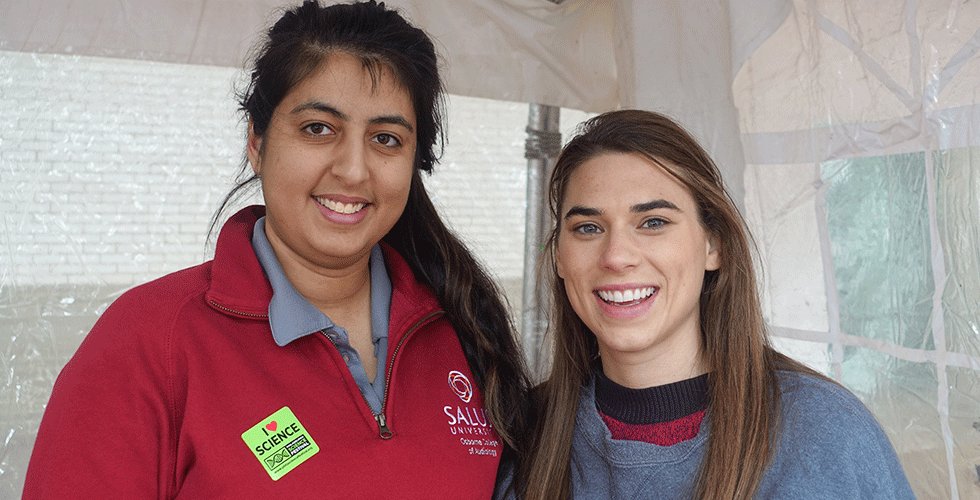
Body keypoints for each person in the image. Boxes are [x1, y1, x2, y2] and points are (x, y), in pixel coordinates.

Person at [24, 1, 531, 497]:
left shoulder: (465, 331)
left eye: (386, 138)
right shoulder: (150, 342)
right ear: (258, 143)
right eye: (318, 128)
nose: (353, 170)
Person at [498, 110, 915, 499]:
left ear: (713, 244)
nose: (616, 256)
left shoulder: (826, 431)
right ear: (559, 257)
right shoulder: (521, 438)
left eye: (653, 223)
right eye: (588, 228)